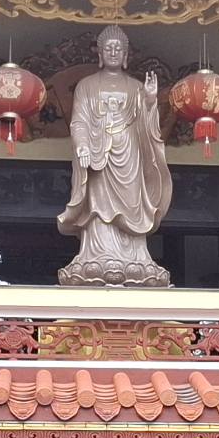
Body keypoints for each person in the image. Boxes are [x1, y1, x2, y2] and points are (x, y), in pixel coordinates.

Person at [56, 25, 174, 287]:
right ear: (99, 53)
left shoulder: (135, 87)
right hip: (99, 155)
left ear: (125, 54)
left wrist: (150, 101)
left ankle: (136, 257)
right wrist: (83, 146)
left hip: (129, 154)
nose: (113, 52)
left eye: (118, 48)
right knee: (99, 206)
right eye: (108, 48)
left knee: (132, 204)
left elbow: (147, 127)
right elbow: (79, 121)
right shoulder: (86, 86)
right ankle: (96, 254)